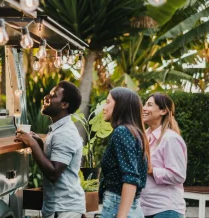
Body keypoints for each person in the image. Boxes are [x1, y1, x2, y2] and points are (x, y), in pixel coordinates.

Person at [15, 81, 85, 218]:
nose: (47, 97)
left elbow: (53, 173)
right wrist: (40, 143)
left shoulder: (64, 133)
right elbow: (53, 161)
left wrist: (33, 145)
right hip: (58, 207)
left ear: (64, 105)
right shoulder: (58, 130)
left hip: (65, 209)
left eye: (53, 95)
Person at [100, 87, 150, 218]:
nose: (104, 107)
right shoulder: (136, 133)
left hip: (117, 206)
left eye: (108, 102)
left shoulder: (122, 132)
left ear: (120, 106)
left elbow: (131, 179)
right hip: (132, 207)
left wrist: (121, 216)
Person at [140, 93, 187, 218]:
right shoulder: (144, 136)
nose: (144, 108)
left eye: (149, 105)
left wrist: (151, 170)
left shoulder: (170, 139)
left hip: (166, 209)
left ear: (163, 110)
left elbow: (179, 175)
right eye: (145, 104)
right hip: (144, 209)